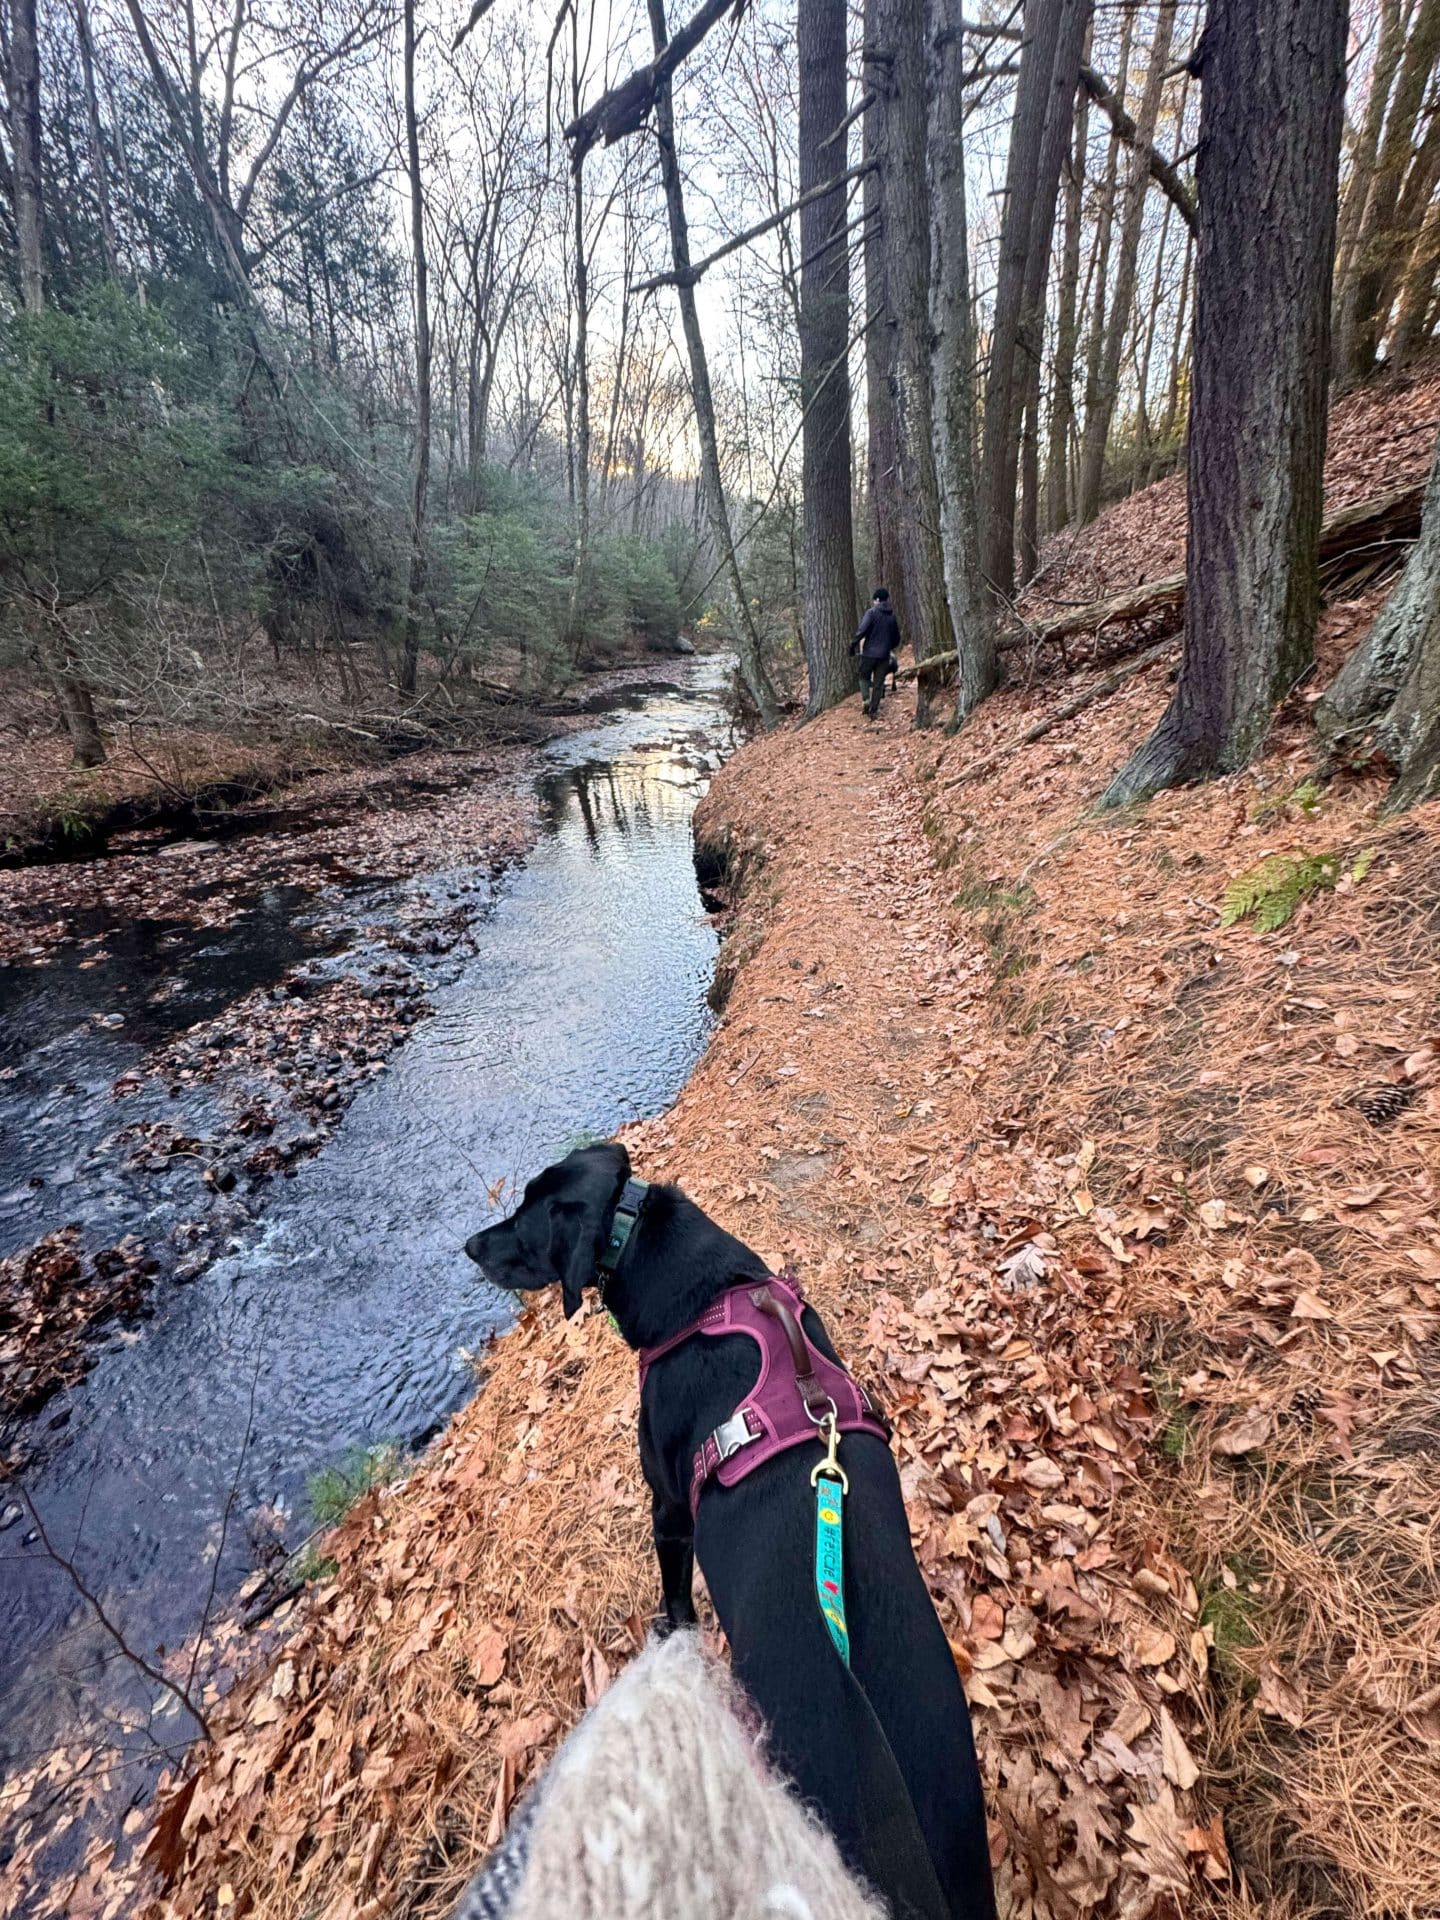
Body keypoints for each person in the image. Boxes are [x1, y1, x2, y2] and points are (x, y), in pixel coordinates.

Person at [849, 587, 901, 720]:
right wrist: (889, 648)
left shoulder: (871, 613)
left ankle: (866, 699)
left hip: (869, 654)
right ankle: (874, 709)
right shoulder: (892, 616)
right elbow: (896, 638)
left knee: (863, 676)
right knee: (879, 683)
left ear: (877, 599)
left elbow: (862, 630)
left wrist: (853, 645)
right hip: (884, 655)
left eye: (874, 600)